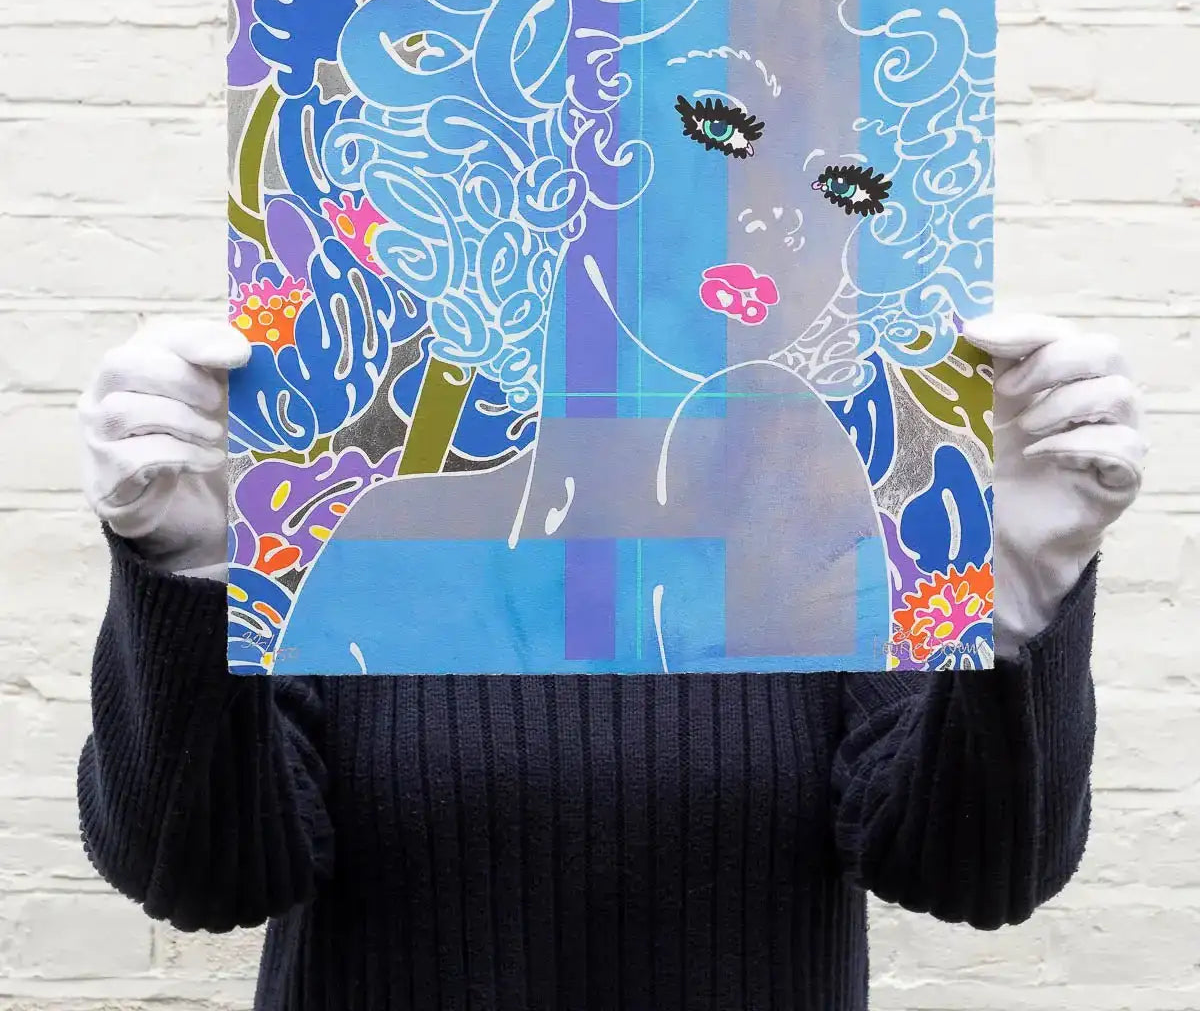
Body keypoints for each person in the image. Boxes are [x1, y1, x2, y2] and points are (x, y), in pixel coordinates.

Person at [76, 309, 1146, 1010]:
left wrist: (1020, 592)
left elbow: (976, 873)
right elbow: (199, 875)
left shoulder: (818, 518)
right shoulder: (365, 526)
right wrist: (187, 574)